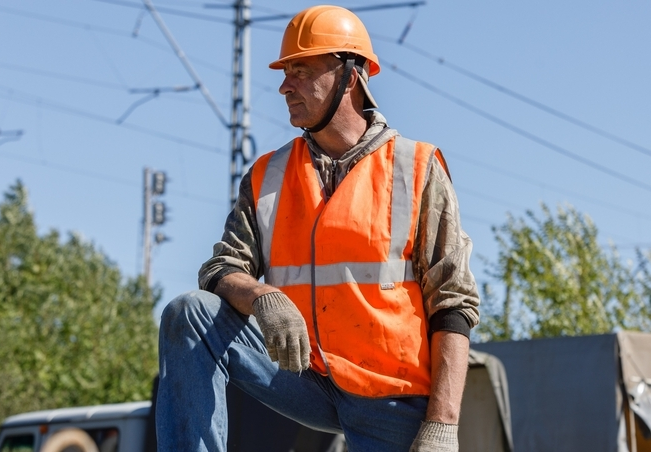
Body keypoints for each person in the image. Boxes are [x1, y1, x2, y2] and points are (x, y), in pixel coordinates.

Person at [156, 5, 479, 452]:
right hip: (303, 376)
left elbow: (453, 303)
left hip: (389, 395)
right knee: (189, 313)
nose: (285, 86)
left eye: (302, 70)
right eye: (286, 72)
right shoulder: (268, 175)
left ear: (351, 75)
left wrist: (443, 424)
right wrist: (262, 297)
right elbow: (221, 268)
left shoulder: (416, 168)